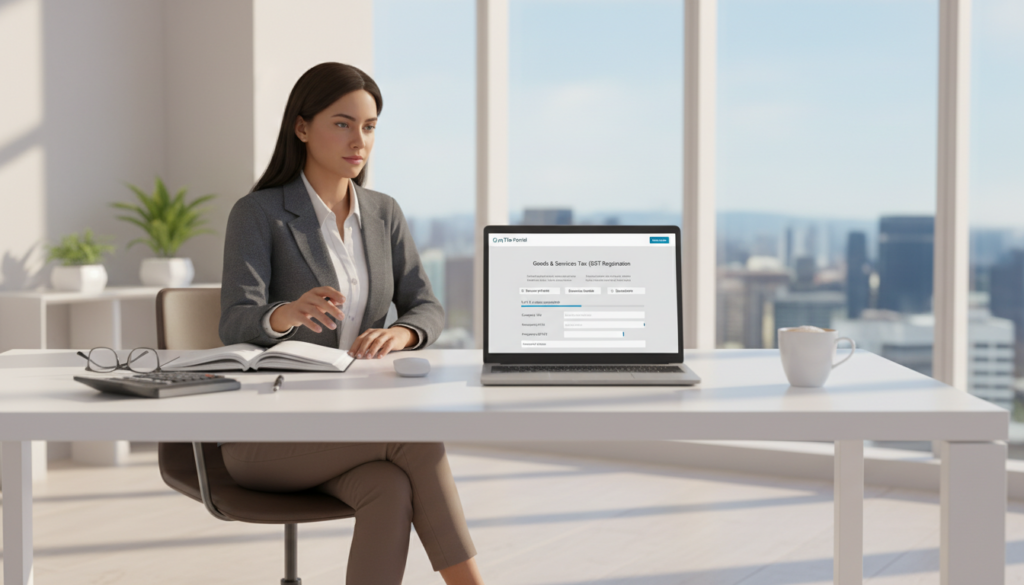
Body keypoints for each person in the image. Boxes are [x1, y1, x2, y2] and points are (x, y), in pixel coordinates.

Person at [218, 62, 484, 585]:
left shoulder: (383, 213)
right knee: (417, 441)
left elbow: (426, 305)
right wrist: (283, 314)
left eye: (369, 126)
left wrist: (401, 332)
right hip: (264, 438)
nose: (358, 140)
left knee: (389, 487)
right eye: (342, 124)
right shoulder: (259, 214)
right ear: (302, 127)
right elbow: (232, 322)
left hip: (352, 423)